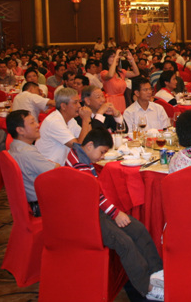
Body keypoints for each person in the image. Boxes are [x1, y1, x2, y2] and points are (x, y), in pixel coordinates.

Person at [66, 128, 164, 300]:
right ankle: (147, 288)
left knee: (138, 229)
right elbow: (94, 195)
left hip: (95, 209)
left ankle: (158, 274)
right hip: (86, 216)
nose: (102, 156)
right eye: (102, 152)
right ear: (89, 146)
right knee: (124, 242)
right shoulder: (78, 164)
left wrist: (114, 213)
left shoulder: (81, 155)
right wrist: (115, 213)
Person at [6, 110, 60, 213]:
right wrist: (56, 164)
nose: (37, 125)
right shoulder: (27, 153)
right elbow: (56, 171)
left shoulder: (14, 147)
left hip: (31, 200)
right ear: (20, 130)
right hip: (42, 204)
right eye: (32, 123)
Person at [35, 88, 92, 165]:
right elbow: (78, 147)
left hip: (61, 166)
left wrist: (88, 119)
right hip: (48, 168)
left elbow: (88, 139)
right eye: (75, 102)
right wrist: (85, 119)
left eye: (79, 102)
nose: (79, 106)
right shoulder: (54, 122)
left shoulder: (70, 120)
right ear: (63, 106)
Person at [101, 48, 140, 113]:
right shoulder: (104, 73)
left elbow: (136, 73)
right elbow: (110, 75)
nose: (116, 58)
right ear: (106, 59)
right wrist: (116, 57)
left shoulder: (120, 72)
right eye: (112, 57)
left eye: (116, 57)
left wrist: (131, 59)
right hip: (111, 101)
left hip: (122, 100)